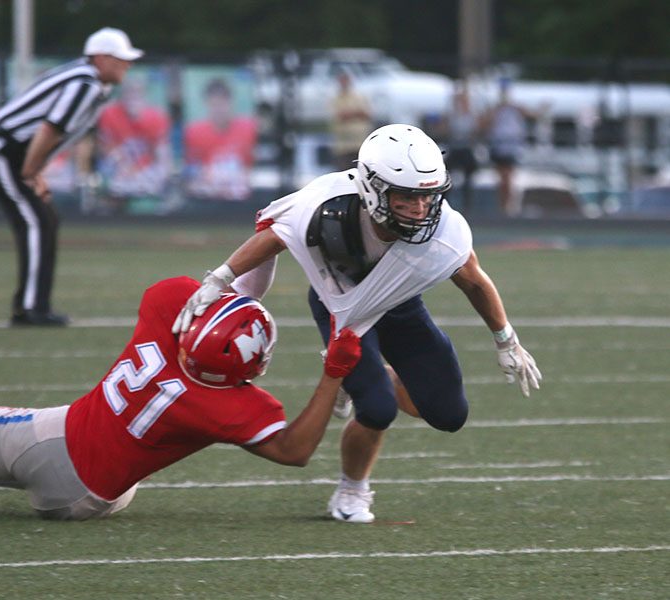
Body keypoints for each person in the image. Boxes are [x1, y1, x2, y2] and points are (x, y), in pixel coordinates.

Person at [172, 123, 542, 524]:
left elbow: (472, 278)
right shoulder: (325, 205)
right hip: (339, 310)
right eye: (407, 196)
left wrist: (506, 339)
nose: (420, 209)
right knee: (377, 408)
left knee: (448, 414)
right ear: (372, 187)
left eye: (427, 196)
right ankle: (352, 488)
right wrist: (221, 279)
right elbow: (275, 234)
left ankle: (379, 374)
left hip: (400, 306)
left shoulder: (444, 230)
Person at [0, 277, 363, 521]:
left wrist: (271, 242)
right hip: (100, 499)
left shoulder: (165, 310)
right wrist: (333, 374)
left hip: (52, 443)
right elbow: (295, 451)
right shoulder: (231, 404)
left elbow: (221, 284)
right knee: (119, 465)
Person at [0, 27, 143, 327]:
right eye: (120, 58)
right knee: (36, 221)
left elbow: (53, 132)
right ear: (101, 58)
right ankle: (30, 309)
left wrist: (34, 171)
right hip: (0, 149)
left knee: (45, 219)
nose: (127, 65)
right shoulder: (85, 84)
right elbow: (51, 129)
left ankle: (36, 305)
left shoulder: (90, 82)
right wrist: (31, 172)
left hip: (14, 152)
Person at [97, 75, 172, 213]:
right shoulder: (110, 114)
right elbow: (107, 150)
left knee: (159, 181)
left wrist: (159, 176)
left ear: (144, 95)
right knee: (111, 179)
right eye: (129, 92)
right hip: (119, 169)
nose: (133, 98)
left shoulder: (156, 117)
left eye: (137, 93)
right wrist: (124, 167)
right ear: (122, 95)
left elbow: (163, 156)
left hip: (146, 170)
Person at [183, 77, 257, 201]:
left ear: (230, 102)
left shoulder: (248, 128)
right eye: (214, 105)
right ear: (206, 104)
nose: (218, 110)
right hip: (209, 196)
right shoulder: (194, 132)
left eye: (222, 104)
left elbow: (254, 170)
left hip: (241, 195)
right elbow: (192, 175)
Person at [478, 78, 541, 216]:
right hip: (499, 146)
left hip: (510, 147)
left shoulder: (516, 108)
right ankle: (504, 206)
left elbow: (533, 115)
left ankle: (507, 206)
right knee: (502, 179)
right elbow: (483, 125)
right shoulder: (495, 109)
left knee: (508, 178)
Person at [441, 82, 480, 213]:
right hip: (455, 149)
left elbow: (476, 131)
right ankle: (445, 201)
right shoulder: (452, 115)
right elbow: (445, 130)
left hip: (466, 149)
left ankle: (467, 204)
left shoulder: (471, 115)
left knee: (469, 173)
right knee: (446, 172)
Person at [330, 71, 373, 171]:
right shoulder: (336, 99)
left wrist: (350, 114)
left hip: (360, 143)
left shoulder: (359, 97)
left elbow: (366, 114)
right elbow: (340, 116)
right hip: (343, 146)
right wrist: (356, 113)